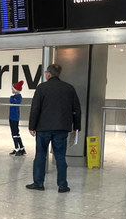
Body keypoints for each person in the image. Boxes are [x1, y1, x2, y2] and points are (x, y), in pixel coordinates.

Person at [26, 64, 81, 193]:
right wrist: (76, 126)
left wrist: (32, 126)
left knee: (40, 155)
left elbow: (35, 108)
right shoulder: (69, 88)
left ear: (49, 74)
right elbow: (77, 109)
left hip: (43, 127)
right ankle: (62, 185)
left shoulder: (42, 88)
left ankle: (38, 183)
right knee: (60, 156)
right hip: (62, 128)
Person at [9, 81, 26, 156]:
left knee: (14, 133)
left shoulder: (17, 97)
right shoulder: (17, 97)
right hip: (14, 116)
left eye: (12, 88)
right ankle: (22, 148)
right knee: (16, 132)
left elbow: (12, 101)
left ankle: (17, 148)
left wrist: (12, 98)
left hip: (14, 117)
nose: (11, 90)